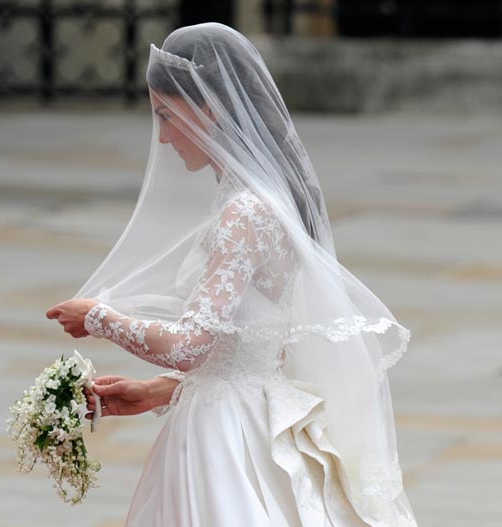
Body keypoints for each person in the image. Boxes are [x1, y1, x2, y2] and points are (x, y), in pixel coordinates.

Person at [47, 23, 418, 527]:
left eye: (165, 114)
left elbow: (192, 345)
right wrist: (162, 390)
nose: (162, 135)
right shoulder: (261, 202)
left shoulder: (245, 212)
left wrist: (98, 318)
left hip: (225, 436)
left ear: (209, 108)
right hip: (242, 414)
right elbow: (262, 342)